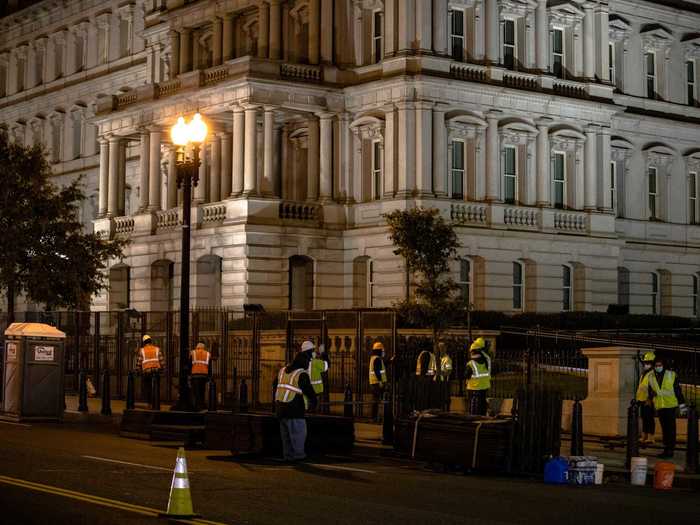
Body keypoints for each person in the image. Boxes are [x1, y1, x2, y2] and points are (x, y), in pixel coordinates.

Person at [273, 351, 317, 462]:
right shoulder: (301, 374)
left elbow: (275, 385)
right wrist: (314, 402)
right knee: (298, 435)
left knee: (286, 437)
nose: (308, 364)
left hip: (280, 409)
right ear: (304, 361)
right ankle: (298, 456)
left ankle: (288, 456)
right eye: (308, 361)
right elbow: (309, 391)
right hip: (294, 410)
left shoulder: (282, 371)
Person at [645, 356, 687, 459]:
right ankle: (666, 449)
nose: (658, 367)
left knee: (671, 429)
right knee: (665, 429)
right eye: (656, 365)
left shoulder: (671, 375)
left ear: (663, 365)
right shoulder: (651, 376)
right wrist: (650, 397)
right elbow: (651, 390)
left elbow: (678, 391)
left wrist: (682, 407)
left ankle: (670, 450)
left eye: (660, 365)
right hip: (660, 406)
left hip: (670, 405)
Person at [465, 337, 492, 416]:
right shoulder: (487, 360)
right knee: (482, 406)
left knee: (473, 408)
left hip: (473, 387)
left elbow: (466, 375)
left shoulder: (471, 364)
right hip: (484, 386)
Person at [136, 334, 164, 405]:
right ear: (151, 341)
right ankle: (156, 402)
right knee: (156, 386)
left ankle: (149, 402)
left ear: (144, 342)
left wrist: (138, 370)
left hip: (146, 371)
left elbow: (139, 362)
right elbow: (161, 360)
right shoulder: (157, 349)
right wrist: (163, 369)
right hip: (156, 370)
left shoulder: (142, 350)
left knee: (148, 387)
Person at [635, 351, 656, 445]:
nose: (646, 364)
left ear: (652, 363)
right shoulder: (646, 372)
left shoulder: (652, 373)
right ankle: (644, 436)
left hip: (648, 400)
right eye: (645, 362)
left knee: (649, 418)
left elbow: (653, 387)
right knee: (644, 418)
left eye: (648, 362)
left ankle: (651, 437)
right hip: (642, 399)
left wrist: (649, 399)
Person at [369, 341, 388, 421]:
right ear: (379, 351)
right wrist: (380, 381)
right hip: (377, 383)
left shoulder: (375, 358)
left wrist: (390, 361)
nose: (383, 352)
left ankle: (375, 417)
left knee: (376, 400)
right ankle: (375, 417)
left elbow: (382, 366)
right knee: (376, 401)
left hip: (374, 382)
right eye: (382, 350)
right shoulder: (377, 359)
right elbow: (377, 371)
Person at [190, 342, 211, 411]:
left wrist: (189, 375)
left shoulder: (193, 353)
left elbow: (190, 364)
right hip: (204, 375)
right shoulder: (207, 354)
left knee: (196, 391)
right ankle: (202, 405)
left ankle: (197, 406)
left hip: (195, 375)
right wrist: (209, 376)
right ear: (204, 347)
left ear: (197, 346)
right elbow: (210, 367)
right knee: (202, 391)